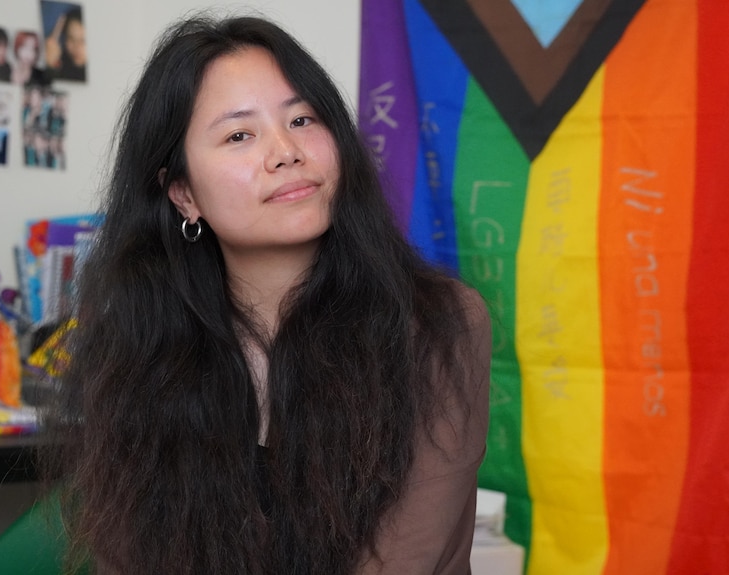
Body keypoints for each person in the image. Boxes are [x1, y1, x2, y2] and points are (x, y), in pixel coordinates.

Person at [42, 12, 491, 575]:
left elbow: (404, 559)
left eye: (303, 119)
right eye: (239, 135)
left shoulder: (437, 323)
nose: (285, 151)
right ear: (183, 194)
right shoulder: (133, 350)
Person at [44, 7, 86, 81]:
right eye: (71, 38)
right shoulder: (60, 63)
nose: (77, 47)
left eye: (83, 41)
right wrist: (50, 66)